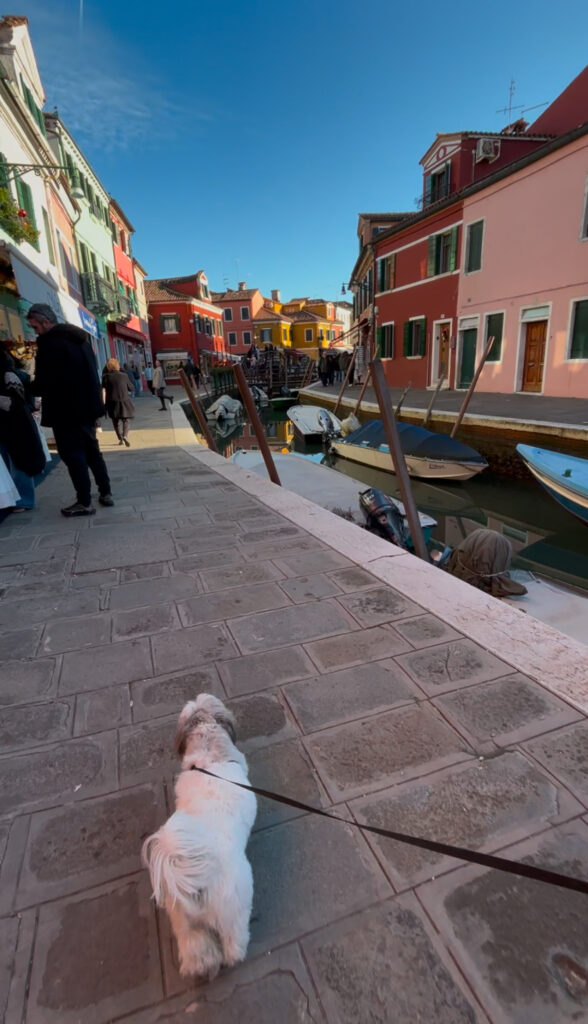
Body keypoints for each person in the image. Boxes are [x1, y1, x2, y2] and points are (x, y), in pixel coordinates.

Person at [26, 303, 114, 517]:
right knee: (92, 452)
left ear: (46, 322)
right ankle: (106, 492)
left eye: (35, 327)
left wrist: (26, 385)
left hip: (65, 410)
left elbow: (47, 380)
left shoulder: (50, 343)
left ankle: (84, 502)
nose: (35, 331)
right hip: (87, 407)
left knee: (73, 456)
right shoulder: (81, 340)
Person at [102, 357, 135, 447]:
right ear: (117, 366)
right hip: (123, 400)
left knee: (115, 421)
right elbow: (131, 388)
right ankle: (125, 435)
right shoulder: (124, 375)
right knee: (126, 419)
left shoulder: (106, 377)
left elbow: (103, 389)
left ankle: (120, 438)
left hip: (111, 402)